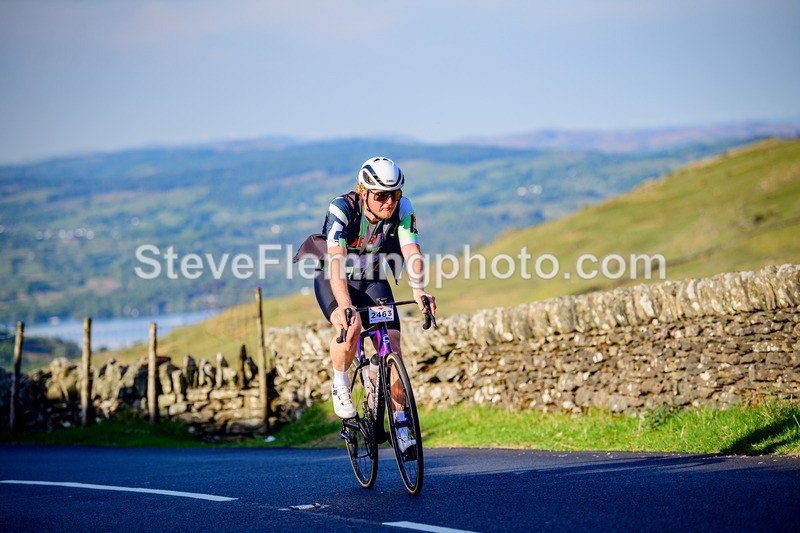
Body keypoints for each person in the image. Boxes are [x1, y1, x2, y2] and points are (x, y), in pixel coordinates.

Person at [294, 156, 436, 452]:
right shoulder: (342, 208)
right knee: (350, 326)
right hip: (334, 278)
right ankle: (340, 382)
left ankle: (400, 424)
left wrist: (420, 289)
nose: (389, 202)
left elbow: (411, 250)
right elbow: (334, 263)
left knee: (393, 343)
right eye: (381, 195)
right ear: (364, 192)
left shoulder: (403, 208)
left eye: (394, 194)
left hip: (372, 278)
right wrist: (345, 307)